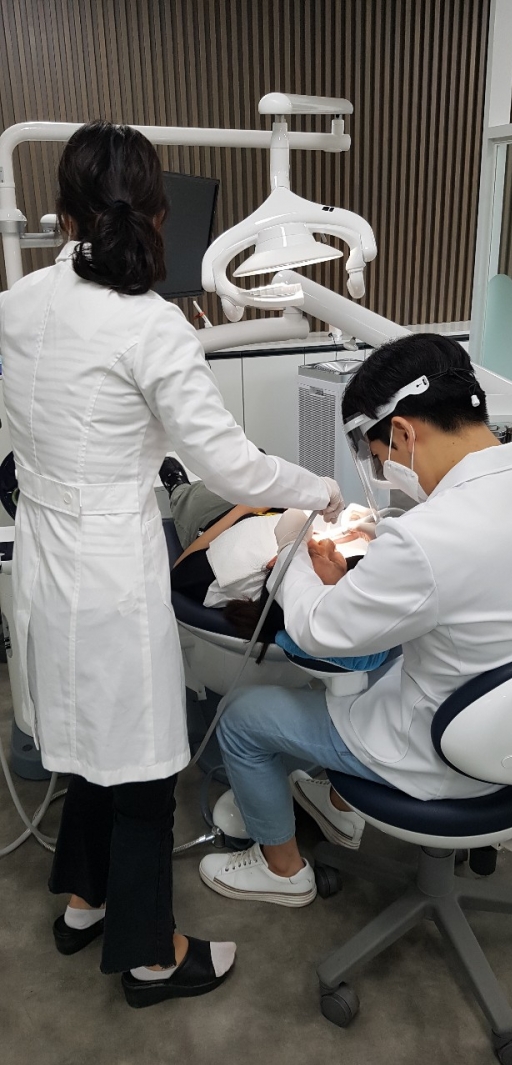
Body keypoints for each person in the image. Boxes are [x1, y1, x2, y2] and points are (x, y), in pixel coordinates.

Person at [0, 120, 343, 1005]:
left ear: (65, 212)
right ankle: (152, 957)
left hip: (44, 554)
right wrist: (319, 489)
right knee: (146, 764)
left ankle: (85, 903)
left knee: (87, 742)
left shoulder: (19, 302)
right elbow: (231, 467)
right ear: (155, 214)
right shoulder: (149, 325)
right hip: (107, 562)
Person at [198, 333, 512, 908]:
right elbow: (493, 572)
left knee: (243, 716)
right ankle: (336, 806)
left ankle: (281, 871)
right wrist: (380, 544)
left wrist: (289, 560)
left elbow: (318, 631)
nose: (386, 472)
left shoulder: (426, 539)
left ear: (406, 432)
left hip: (445, 754)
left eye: (380, 457)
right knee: (384, 669)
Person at [160, 458, 386, 670]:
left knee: (196, 496)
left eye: (314, 553)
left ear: (276, 563)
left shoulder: (228, 573)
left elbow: (180, 569)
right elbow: (322, 544)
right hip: (269, 510)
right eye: (336, 557)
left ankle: (177, 488)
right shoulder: (320, 579)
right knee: (255, 467)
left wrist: (246, 507)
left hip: (216, 518)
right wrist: (357, 530)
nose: (327, 543)